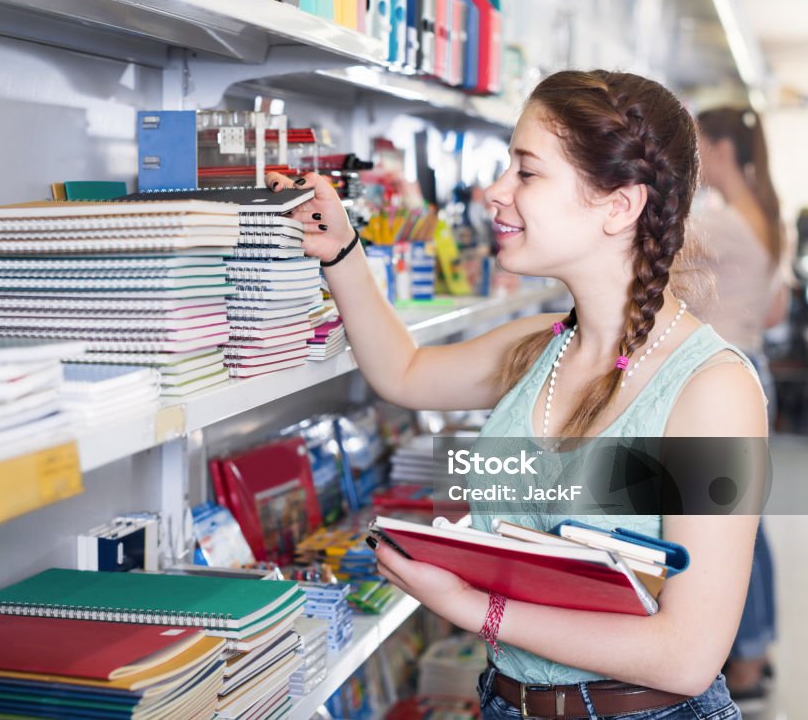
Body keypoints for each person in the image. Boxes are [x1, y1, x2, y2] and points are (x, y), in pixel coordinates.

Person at [267, 69, 766, 720]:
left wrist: (472, 607)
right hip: (508, 703)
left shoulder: (714, 390)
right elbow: (405, 372)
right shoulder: (543, 344)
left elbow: (688, 655)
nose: (495, 191)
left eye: (526, 172)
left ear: (619, 205)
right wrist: (343, 253)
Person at [694, 106, 786, 700]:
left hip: (725, 376)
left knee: (731, 527)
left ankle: (746, 666)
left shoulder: (719, 221)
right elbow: (774, 310)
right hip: (754, 368)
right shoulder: (769, 217)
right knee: (746, 521)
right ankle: (755, 649)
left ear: (721, 148)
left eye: (697, 144)